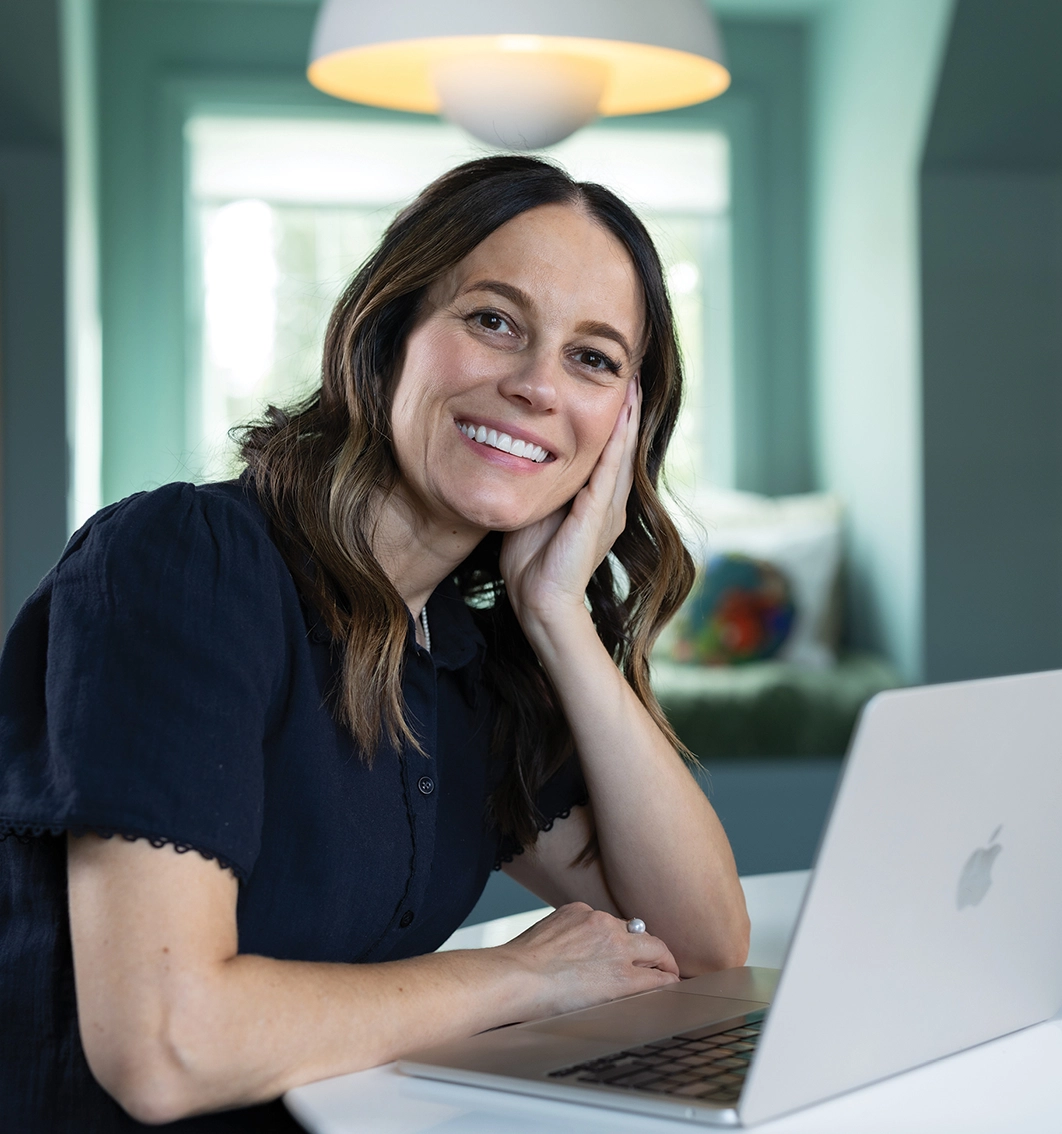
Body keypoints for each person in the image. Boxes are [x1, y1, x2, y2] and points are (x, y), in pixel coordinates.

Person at [0, 155, 750, 1132]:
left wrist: (561, 616)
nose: (535, 385)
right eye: (494, 320)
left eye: (593, 359)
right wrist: (515, 976)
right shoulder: (186, 563)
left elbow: (703, 941)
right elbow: (164, 1047)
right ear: (389, 331)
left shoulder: (471, 656)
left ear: (622, 426)